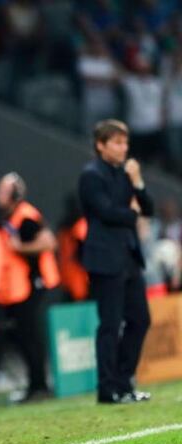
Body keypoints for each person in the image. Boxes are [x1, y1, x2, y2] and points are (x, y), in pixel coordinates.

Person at [78, 119, 154, 404]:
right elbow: (107, 212)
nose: (124, 148)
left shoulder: (126, 174)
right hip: (105, 260)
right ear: (101, 145)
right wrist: (131, 212)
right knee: (110, 324)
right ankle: (107, 389)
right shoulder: (91, 175)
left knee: (140, 320)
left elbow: (149, 208)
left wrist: (138, 183)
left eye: (126, 143)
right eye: (117, 142)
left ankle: (124, 383)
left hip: (129, 258)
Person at [0, 172, 59, 402]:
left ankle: (39, 384)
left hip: (34, 282)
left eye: (3, 190)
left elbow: (48, 242)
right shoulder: (9, 216)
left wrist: (18, 247)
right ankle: (35, 383)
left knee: (30, 333)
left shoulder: (26, 216)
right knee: (22, 333)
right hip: (19, 285)